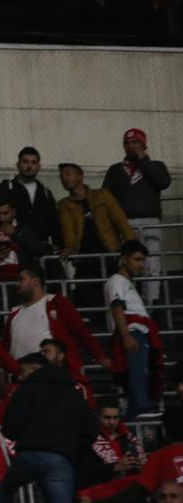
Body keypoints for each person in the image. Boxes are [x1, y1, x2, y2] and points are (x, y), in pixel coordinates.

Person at [0, 357, 96, 503]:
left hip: (29, 456)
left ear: (34, 369)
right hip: (60, 460)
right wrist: (72, 449)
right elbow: (91, 431)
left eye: (23, 371)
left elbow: (10, 427)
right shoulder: (75, 395)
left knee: (4, 491)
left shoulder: (26, 390)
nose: (19, 376)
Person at [5, 262, 110, 381]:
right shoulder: (14, 313)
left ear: (35, 281)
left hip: (54, 376)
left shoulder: (57, 302)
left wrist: (100, 356)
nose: (17, 284)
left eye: (21, 279)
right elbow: (6, 346)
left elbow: (81, 331)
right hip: (22, 378)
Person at [102, 128, 171, 303]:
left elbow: (164, 182)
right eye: (127, 143)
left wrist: (143, 159)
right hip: (125, 223)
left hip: (151, 222)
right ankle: (128, 303)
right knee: (126, 264)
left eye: (135, 142)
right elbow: (105, 196)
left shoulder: (156, 166)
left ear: (144, 145)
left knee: (152, 265)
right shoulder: (116, 170)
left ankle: (152, 303)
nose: (130, 146)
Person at [57, 162, 135, 310]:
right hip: (85, 258)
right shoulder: (64, 204)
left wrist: (132, 245)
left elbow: (120, 221)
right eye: (61, 176)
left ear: (80, 176)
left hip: (110, 253)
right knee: (89, 299)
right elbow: (68, 231)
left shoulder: (102, 195)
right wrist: (70, 247)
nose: (64, 178)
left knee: (116, 296)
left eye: (68, 174)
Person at [106, 241, 158, 420]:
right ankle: (142, 408)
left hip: (139, 332)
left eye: (143, 260)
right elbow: (117, 307)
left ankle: (135, 416)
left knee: (142, 372)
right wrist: (126, 335)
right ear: (123, 259)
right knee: (138, 372)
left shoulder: (127, 282)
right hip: (133, 332)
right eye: (137, 259)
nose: (141, 264)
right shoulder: (116, 281)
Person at [78, 397, 149, 503]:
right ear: (97, 416)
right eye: (107, 417)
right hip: (101, 499)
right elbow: (85, 470)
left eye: (116, 417)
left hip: (129, 497)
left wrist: (139, 467)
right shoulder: (87, 438)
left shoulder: (129, 439)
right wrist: (114, 468)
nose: (112, 422)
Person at [0, 146, 59, 245]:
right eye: (25, 162)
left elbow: (54, 222)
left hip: (40, 246)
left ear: (39, 167)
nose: (29, 166)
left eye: (34, 162)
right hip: (13, 247)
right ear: (18, 164)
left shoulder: (45, 192)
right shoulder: (5, 189)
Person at [0, 200, 47, 284]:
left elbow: (40, 251)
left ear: (13, 212)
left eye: (5, 213)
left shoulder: (25, 229)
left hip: (25, 282)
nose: (2, 218)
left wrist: (16, 235)